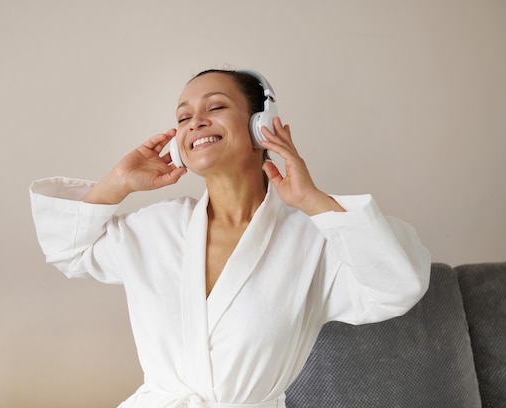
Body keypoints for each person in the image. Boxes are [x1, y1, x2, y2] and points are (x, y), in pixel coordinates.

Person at [29, 68, 431, 408]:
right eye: (183, 118)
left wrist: (313, 200)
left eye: (215, 107)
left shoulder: (314, 239)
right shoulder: (157, 229)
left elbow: (397, 286)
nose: (195, 122)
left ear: (263, 126)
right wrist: (118, 182)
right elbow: (67, 251)